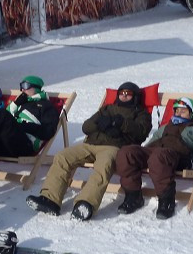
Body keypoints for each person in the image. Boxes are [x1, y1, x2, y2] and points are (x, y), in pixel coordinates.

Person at [26, 82, 151, 221]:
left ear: (135, 97)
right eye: (121, 92)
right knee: (63, 156)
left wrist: (121, 123)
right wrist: (102, 123)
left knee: (104, 166)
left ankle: (86, 203)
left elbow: (141, 133)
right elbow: (86, 127)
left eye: (128, 93)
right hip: (90, 144)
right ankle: (50, 199)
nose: (124, 95)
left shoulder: (141, 113)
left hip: (114, 147)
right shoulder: (107, 108)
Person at [116, 97, 193, 220]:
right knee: (127, 152)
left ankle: (166, 200)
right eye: (176, 111)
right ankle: (133, 196)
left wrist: (191, 163)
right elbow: (151, 144)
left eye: (183, 111)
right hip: (156, 153)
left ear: (192, 114)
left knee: (159, 156)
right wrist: (140, 154)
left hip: (175, 156)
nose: (178, 113)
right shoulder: (165, 127)